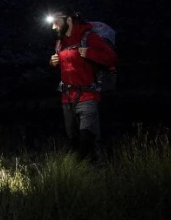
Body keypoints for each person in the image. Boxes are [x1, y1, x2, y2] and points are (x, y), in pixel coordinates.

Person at [49, 10, 119, 161]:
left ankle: (96, 169)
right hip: (67, 99)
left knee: (87, 141)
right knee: (73, 141)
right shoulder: (60, 42)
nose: (53, 27)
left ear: (68, 20)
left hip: (88, 97)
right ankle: (82, 171)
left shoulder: (89, 38)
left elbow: (112, 59)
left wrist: (90, 53)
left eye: (56, 22)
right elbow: (69, 66)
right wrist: (53, 62)